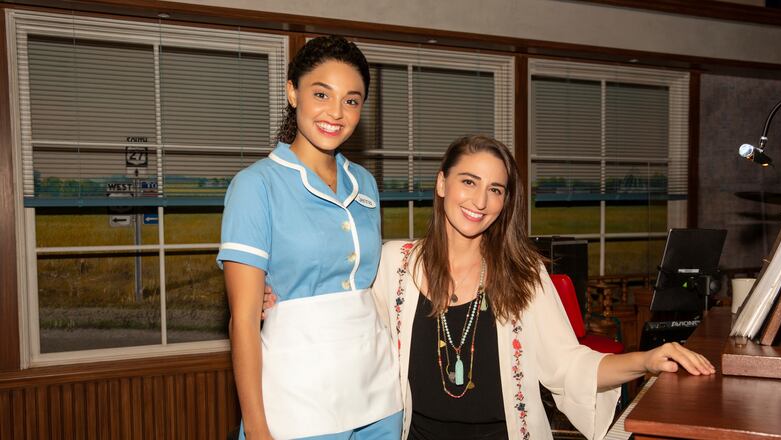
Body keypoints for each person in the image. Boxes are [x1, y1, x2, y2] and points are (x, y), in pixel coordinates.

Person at [370, 134, 715, 440]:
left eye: (495, 190)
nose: (480, 202)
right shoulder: (394, 265)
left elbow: (569, 366)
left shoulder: (523, 273)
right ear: (442, 184)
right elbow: (361, 354)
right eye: (469, 182)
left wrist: (647, 360)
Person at [217, 36, 402, 440]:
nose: (336, 113)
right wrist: (259, 429)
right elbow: (244, 322)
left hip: (379, 396)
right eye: (322, 93)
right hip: (297, 404)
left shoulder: (366, 184)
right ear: (292, 92)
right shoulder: (256, 186)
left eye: (351, 100)